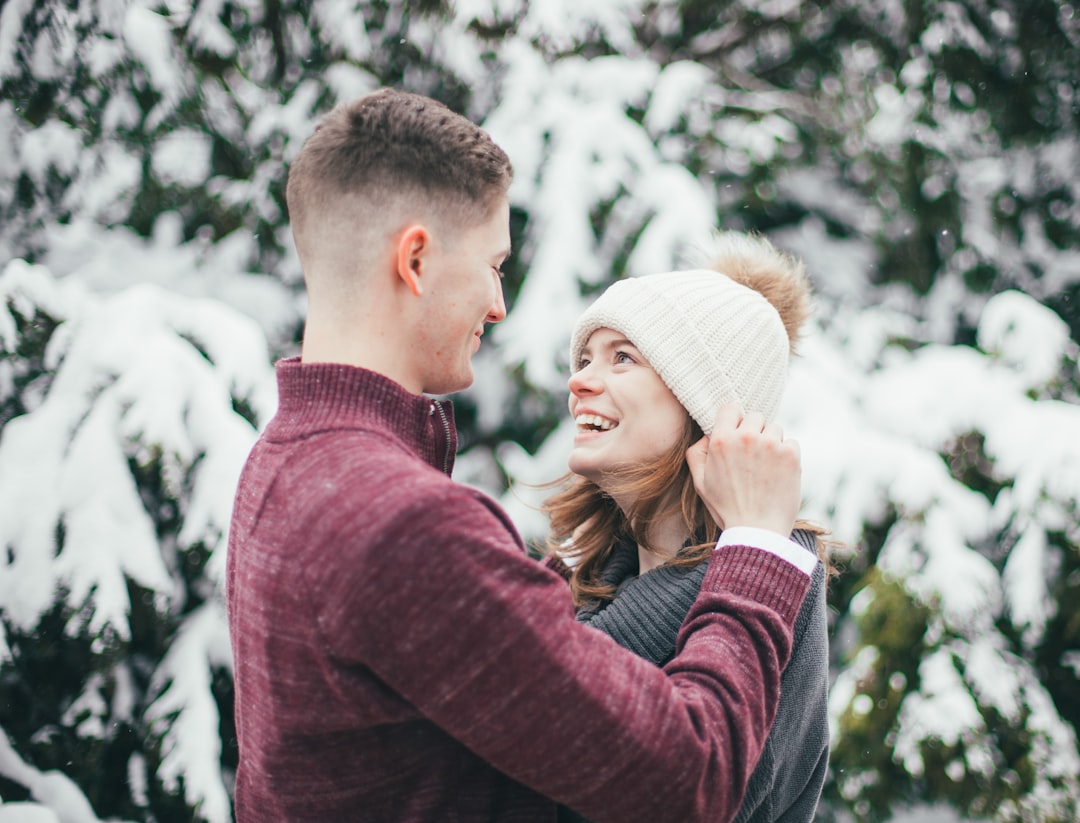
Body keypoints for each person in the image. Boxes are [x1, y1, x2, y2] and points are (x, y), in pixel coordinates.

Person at [226, 88, 821, 823]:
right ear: (415, 259)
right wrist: (758, 551)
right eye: (494, 264)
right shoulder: (403, 523)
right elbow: (688, 776)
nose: (498, 305)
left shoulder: (282, 464)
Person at [544, 231, 831, 823]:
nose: (579, 381)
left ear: (706, 403)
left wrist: (758, 548)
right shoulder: (573, 597)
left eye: (622, 357)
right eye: (584, 359)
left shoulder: (781, 585)